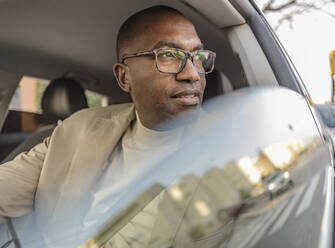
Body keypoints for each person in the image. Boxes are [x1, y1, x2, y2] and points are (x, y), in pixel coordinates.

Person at [0, 5, 216, 244]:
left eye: (198, 57)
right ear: (124, 77)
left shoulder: (228, 150)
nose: (192, 74)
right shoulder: (79, 128)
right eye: (168, 55)